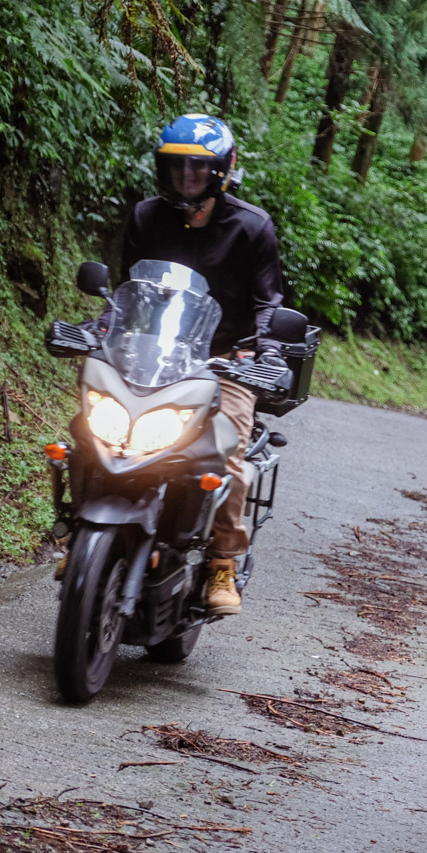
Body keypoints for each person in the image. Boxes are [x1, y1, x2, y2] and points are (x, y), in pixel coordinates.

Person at [119, 113, 284, 617]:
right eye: (177, 166)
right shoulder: (146, 216)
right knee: (94, 430)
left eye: (197, 166)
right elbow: (123, 290)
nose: (186, 175)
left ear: (221, 170)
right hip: (151, 354)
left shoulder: (252, 227)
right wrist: (101, 327)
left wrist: (267, 349)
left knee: (225, 455)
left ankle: (222, 561)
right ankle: (79, 531)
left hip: (226, 363)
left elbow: (269, 303)